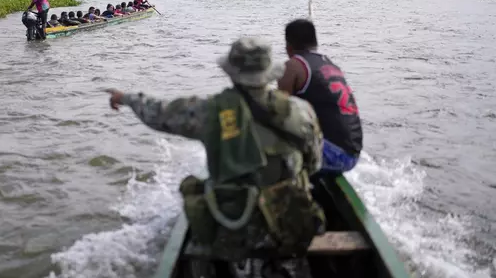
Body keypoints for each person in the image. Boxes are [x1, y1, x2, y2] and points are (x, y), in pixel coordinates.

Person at [106, 37, 325, 264]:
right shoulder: (301, 111)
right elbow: (314, 165)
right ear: (270, 72)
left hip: (232, 226)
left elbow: (159, 114)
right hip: (288, 224)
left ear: (230, 72)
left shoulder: (210, 112)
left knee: (195, 192)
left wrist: (126, 98)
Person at [277, 19, 363, 175]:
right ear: (314, 42)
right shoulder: (328, 64)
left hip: (335, 155)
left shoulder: (292, 67)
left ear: (288, 46)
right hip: (353, 153)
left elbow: (277, 117)